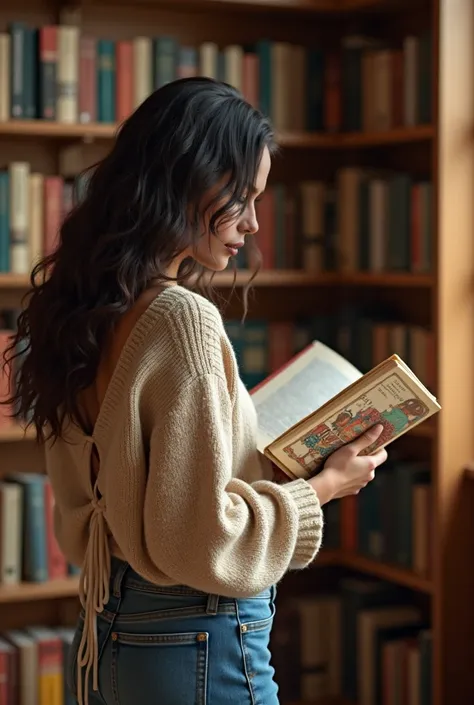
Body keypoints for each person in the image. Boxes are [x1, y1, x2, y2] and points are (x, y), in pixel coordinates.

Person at [4, 78, 387, 705]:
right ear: (186, 178)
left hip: (110, 628)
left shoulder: (88, 308)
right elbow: (201, 539)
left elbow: (146, 492)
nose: (254, 223)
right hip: (197, 632)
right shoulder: (182, 319)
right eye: (241, 197)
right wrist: (324, 486)